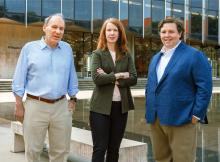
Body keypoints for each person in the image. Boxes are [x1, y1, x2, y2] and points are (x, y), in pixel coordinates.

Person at [12, 13, 79, 162]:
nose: (58, 31)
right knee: (33, 151)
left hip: (61, 107)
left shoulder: (67, 49)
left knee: (61, 152)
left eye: (61, 28)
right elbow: (18, 79)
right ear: (44, 28)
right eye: (54, 27)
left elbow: (72, 76)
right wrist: (18, 105)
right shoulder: (29, 49)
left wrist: (73, 97)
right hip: (35, 106)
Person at [145, 17, 212, 162]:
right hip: (156, 119)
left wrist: (197, 114)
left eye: (171, 31)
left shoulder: (194, 55)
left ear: (180, 33)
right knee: (161, 159)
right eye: (163, 32)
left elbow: (205, 87)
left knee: (183, 159)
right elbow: (150, 86)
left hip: (182, 118)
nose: (166, 35)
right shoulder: (156, 58)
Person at [89, 18, 137, 162]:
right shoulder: (97, 54)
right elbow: (97, 79)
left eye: (115, 30)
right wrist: (118, 75)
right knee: (100, 148)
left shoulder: (126, 55)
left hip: (121, 108)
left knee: (114, 149)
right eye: (108, 30)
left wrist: (109, 77)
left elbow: (134, 78)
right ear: (104, 33)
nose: (112, 33)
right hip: (100, 108)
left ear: (119, 33)